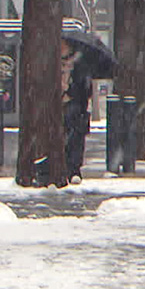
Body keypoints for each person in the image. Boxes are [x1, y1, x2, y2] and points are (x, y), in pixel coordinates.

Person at [61, 38, 92, 184]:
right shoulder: (55, 64)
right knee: (63, 139)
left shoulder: (80, 67)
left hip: (76, 109)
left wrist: (70, 91)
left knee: (75, 140)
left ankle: (73, 169)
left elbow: (85, 90)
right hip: (61, 108)